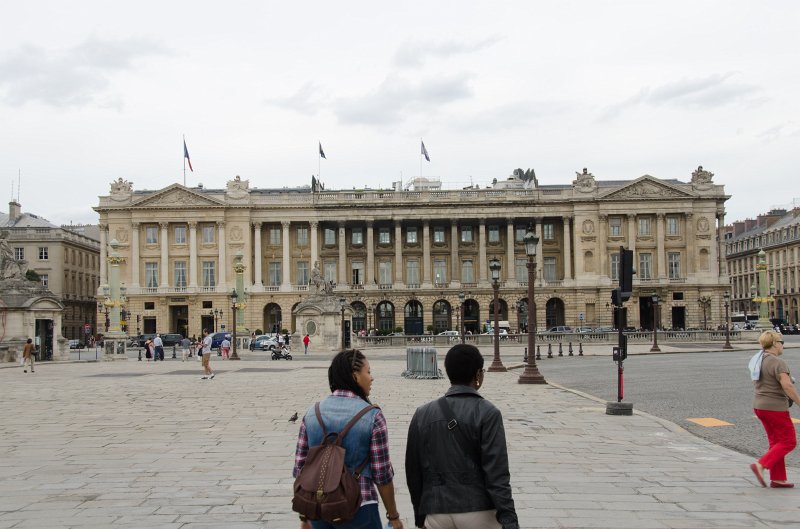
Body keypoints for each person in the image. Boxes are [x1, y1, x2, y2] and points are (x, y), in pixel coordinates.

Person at [406, 343, 519, 529]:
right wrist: (509, 520)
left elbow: (413, 471)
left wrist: (420, 516)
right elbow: (497, 474)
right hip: (478, 509)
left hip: (437, 510)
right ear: (478, 375)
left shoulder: (422, 414)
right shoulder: (488, 413)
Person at [293, 349, 403, 529]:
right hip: (360, 507)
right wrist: (393, 516)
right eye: (368, 372)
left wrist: (305, 518)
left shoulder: (312, 413)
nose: (372, 378)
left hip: (319, 510)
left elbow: (301, 469)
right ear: (355, 377)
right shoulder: (373, 416)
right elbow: (382, 474)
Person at [749, 330, 799, 488]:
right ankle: (761, 465)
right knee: (789, 441)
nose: (782, 345)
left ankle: (778, 479)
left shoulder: (758, 359)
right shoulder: (778, 362)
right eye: (781, 342)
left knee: (776, 442)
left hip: (760, 405)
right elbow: (787, 385)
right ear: (775, 343)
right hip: (775, 407)